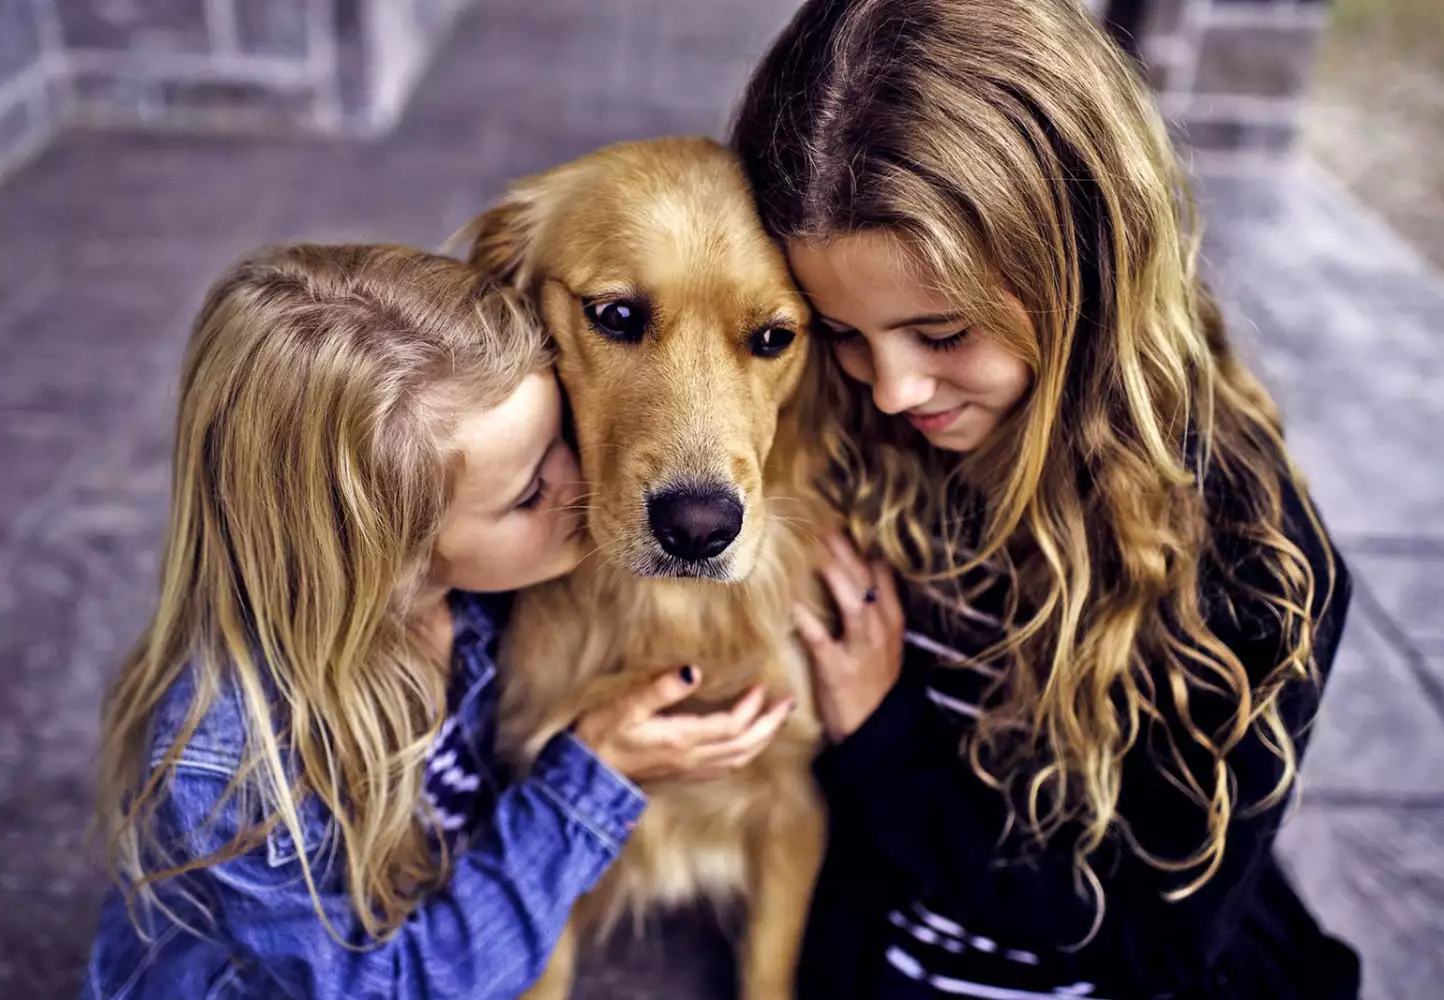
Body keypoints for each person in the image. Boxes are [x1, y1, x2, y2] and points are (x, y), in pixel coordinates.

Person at [732, 1, 1358, 998]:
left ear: (1087, 268)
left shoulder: (1255, 564)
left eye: (942, 335)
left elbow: (1155, 938)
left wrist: (885, 734)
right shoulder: (853, 428)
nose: (890, 389)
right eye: (841, 330)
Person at [80, 244, 790, 999]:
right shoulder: (235, 767)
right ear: (395, 558)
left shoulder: (475, 599)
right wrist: (591, 780)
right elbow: (388, 986)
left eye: (562, 436)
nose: (582, 477)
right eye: (526, 493)